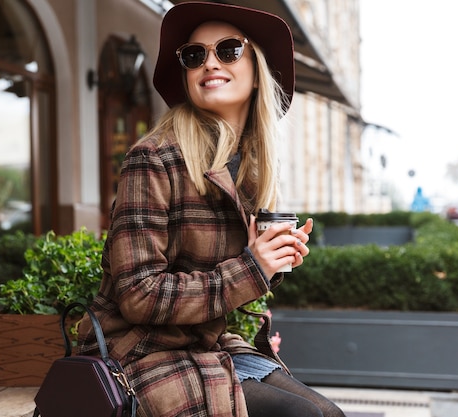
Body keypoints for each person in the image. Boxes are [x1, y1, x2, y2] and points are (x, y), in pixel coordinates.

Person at [78, 2, 346, 416]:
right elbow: (137, 295)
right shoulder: (153, 158)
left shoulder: (245, 168)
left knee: (329, 414)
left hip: (206, 344)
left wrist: (271, 261)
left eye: (227, 50)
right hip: (139, 352)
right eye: (194, 55)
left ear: (257, 70)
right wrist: (251, 267)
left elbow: (228, 278)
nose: (209, 62)